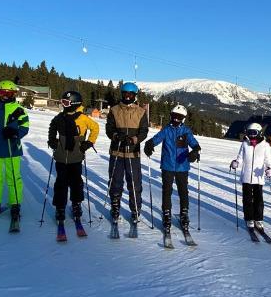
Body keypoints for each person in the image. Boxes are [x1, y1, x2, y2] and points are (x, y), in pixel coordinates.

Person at [145, 105, 202, 234]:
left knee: (183, 191)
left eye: (179, 117)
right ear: (171, 116)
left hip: (182, 166)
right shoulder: (166, 130)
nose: (176, 119)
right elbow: (157, 138)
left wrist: (195, 150)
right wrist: (150, 143)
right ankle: (167, 214)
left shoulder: (186, 131)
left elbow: (194, 143)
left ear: (183, 119)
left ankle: (184, 214)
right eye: (174, 116)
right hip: (168, 166)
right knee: (167, 191)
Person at [47, 89, 99, 227]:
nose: (63, 105)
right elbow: (52, 127)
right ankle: (60, 207)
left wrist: (89, 142)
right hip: (61, 156)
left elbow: (95, 128)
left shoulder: (83, 118)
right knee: (61, 183)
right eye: (63, 102)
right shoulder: (60, 117)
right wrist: (52, 140)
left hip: (76, 156)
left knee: (76, 182)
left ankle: (76, 204)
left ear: (74, 103)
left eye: (66, 102)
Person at [0, 80, 30, 224]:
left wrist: (15, 133)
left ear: (14, 94)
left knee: (13, 178)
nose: (5, 96)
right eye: (2, 92)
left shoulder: (19, 110)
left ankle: (15, 204)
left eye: (9, 93)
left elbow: (25, 127)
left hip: (12, 149)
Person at [105, 81, 148, 223]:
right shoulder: (114, 110)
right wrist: (116, 136)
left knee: (134, 183)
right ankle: (115, 208)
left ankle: (135, 210)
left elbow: (144, 131)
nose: (127, 96)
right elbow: (109, 128)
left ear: (135, 95)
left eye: (130, 94)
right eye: (125, 93)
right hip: (117, 152)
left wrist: (134, 139)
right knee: (115, 182)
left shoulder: (141, 112)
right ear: (122, 94)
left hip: (132, 153)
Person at [229, 121, 271, 234]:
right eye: (249, 132)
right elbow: (240, 158)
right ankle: (249, 219)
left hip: (258, 177)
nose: (251, 135)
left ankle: (258, 219)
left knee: (258, 200)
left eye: (254, 132)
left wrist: (269, 168)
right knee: (247, 199)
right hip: (247, 176)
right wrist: (236, 163)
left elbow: (268, 160)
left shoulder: (265, 145)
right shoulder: (245, 144)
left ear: (259, 133)